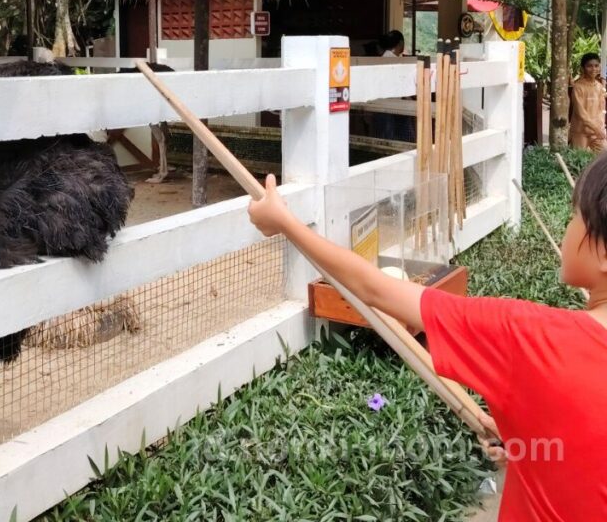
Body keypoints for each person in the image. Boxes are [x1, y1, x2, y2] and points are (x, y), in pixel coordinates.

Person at [248, 160, 607, 522]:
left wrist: (285, 223)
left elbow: (372, 288)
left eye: (574, 216)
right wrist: (528, 442)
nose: (567, 229)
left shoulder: (534, 337)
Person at [569, 52, 606, 152]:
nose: (593, 69)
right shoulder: (578, 87)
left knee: (603, 159)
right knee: (578, 162)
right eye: (589, 66)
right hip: (580, 131)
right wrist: (596, 128)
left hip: (597, 132)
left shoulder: (599, 86)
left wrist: (601, 127)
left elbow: (601, 110)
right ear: (583, 68)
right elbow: (580, 113)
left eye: (596, 66)